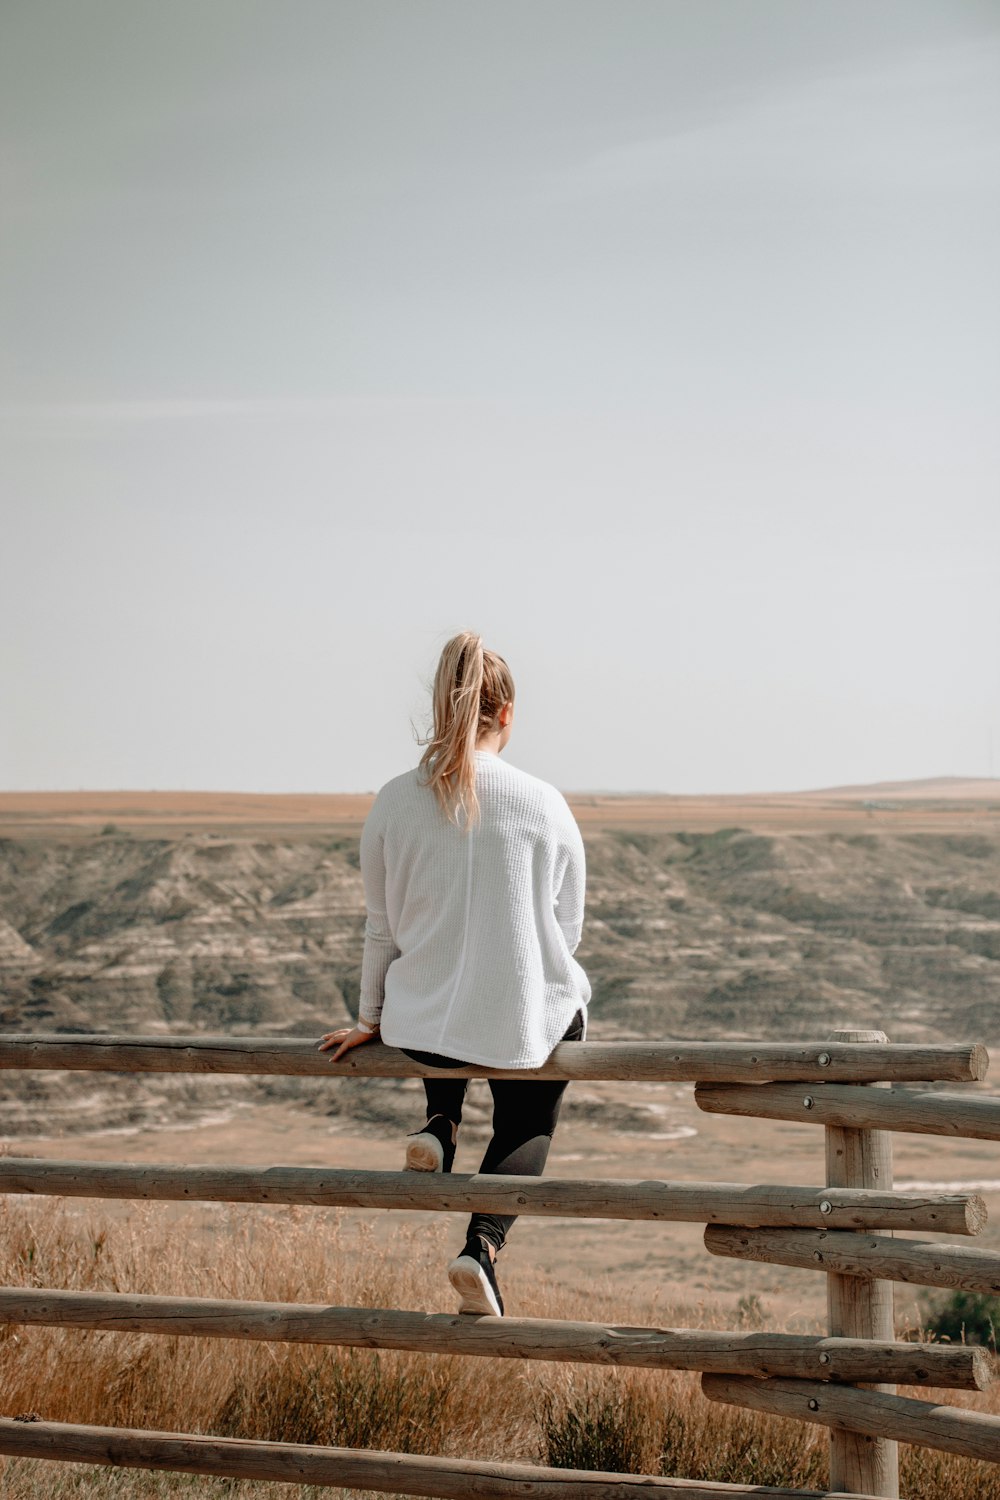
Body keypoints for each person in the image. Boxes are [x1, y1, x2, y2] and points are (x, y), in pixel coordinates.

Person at [318, 630, 591, 1318]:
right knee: (529, 1118)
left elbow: (381, 927)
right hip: (514, 1023)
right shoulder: (544, 803)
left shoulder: (392, 800)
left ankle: (439, 1123)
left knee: (448, 985)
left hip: (421, 1024)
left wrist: (370, 1021)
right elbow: (568, 927)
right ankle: (483, 1248)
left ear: (443, 709)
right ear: (506, 714)